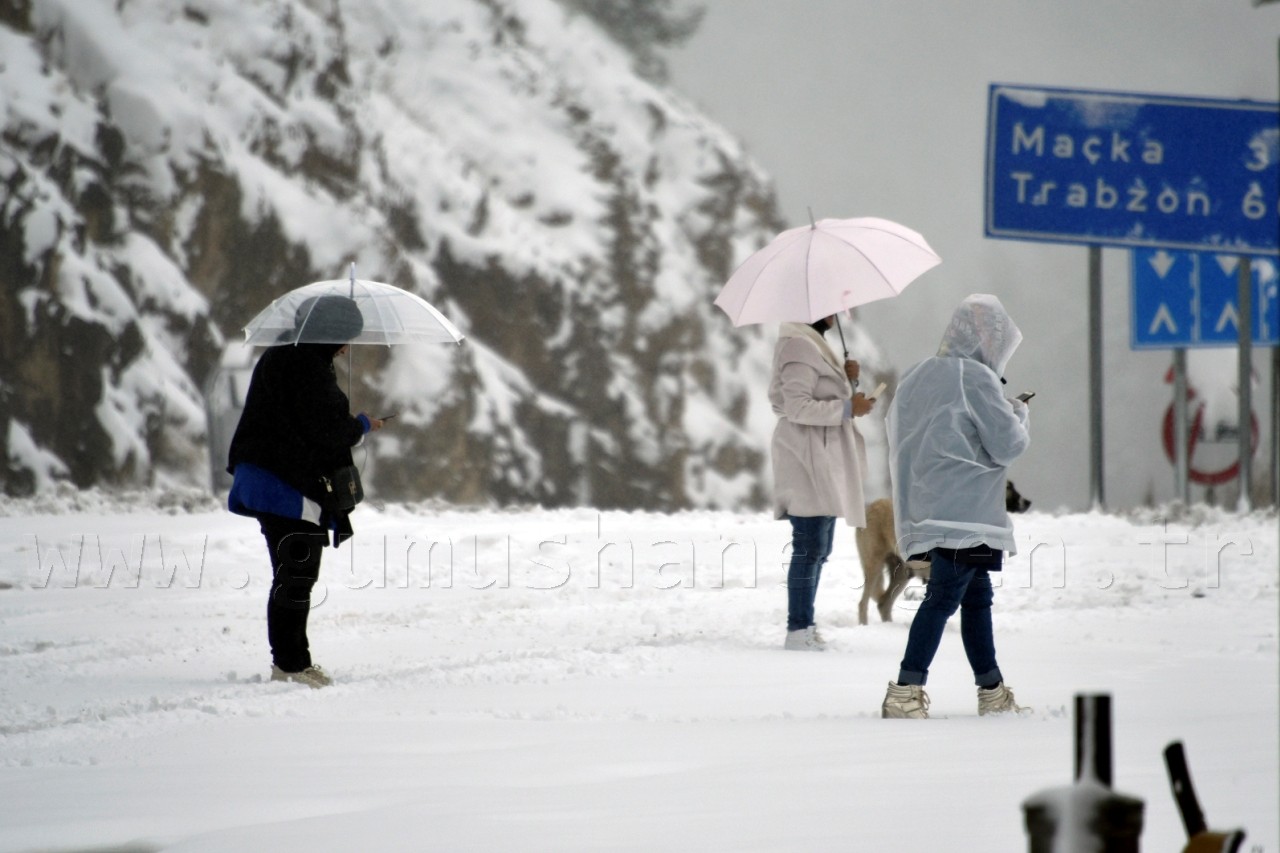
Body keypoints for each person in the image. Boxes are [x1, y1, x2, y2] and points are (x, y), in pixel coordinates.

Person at [880, 294, 1030, 718]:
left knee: (976, 597)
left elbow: (903, 436)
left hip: (927, 506)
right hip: (967, 512)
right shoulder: (976, 379)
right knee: (944, 598)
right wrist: (1017, 412)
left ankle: (992, 691)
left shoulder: (917, 375)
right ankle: (905, 691)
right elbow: (1007, 445)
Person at [226, 295, 385, 688]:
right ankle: (292, 666)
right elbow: (328, 430)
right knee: (296, 576)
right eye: (346, 337)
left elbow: (303, 420)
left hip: (262, 477)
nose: (348, 346)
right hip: (284, 485)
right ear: (330, 334)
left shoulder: (282, 356)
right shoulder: (308, 367)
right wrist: (361, 425)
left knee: (289, 575)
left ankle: (291, 661)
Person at [769, 315, 875, 651]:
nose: (837, 314)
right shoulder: (800, 345)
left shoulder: (810, 343)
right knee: (809, 545)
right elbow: (797, 406)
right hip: (806, 456)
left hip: (819, 454)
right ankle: (798, 629)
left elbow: (814, 392)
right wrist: (846, 407)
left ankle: (804, 626)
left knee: (818, 546)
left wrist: (846, 380)